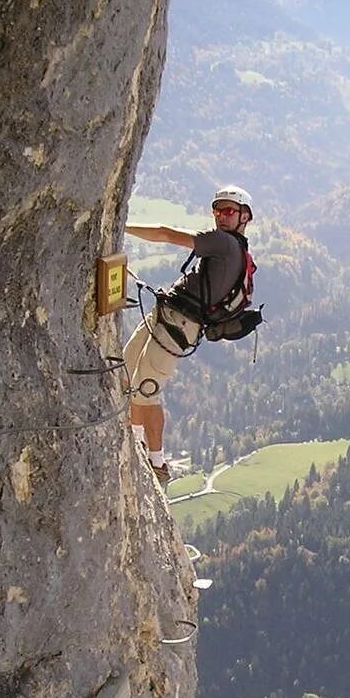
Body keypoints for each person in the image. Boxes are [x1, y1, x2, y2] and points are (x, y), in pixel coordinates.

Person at [122, 185, 255, 485]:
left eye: (229, 211)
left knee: (146, 389)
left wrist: (120, 225)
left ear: (244, 217)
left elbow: (166, 234)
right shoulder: (234, 247)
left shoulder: (223, 243)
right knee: (127, 369)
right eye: (217, 210)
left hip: (179, 325)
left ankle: (156, 463)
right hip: (168, 312)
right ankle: (135, 439)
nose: (221, 216)